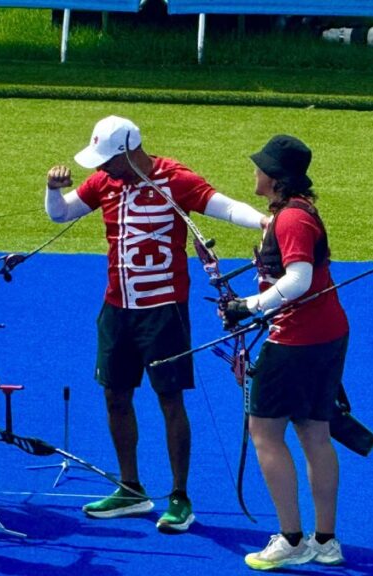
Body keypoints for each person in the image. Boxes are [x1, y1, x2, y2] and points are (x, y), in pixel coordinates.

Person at [44, 115, 267, 533]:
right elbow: (61, 215)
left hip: (164, 310)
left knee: (170, 400)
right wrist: (52, 190)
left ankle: (180, 496)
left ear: (131, 150)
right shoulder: (105, 182)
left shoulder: (173, 178)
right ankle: (130, 489)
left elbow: (222, 205)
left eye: (109, 160)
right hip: (117, 307)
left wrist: (261, 221)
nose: (101, 168)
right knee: (115, 395)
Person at [219, 135, 349, 570]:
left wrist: (248, 307)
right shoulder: (298, 213)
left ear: (275, 179)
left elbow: (297, 280)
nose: (253, 172)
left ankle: (292, 539)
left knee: (265, 432)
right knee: (315, 432)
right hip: (327, 335)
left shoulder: (291, 221)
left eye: (260, 168)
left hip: (296, 340)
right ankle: (325, 541)